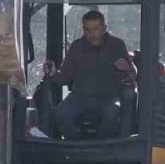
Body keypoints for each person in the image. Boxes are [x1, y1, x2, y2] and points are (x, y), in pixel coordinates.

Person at [44, 10, 138, 139]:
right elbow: (64, 76)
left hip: (108, 97)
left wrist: (126, 68)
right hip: (80, 96)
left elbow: (133, 74)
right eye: (87, 29)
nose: (91, 34)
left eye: (95, 29)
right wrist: (54, 73)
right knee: (60, 113)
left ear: (104, 28)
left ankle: (103, 148)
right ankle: (75, 147)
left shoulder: (117, 45)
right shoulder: (77, 47)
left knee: (112, 112)